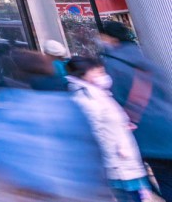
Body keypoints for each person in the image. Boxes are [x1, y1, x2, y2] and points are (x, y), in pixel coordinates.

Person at [98, 21, 172, 189]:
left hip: (147, 133)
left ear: (111, 39)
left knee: (165, 181)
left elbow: (115, 101)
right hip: (168, 124)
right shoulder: (145, 60)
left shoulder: (113, 66)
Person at [68, 56, 152, 202]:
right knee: (129, 196)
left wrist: (123, 125)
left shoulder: (98, 93)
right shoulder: (86, 97)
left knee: (135, 195)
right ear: (83, 74)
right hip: (118, 160)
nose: (103, 76)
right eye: (97, 72)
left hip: (122, 155)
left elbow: (107, 120)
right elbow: (95, 131)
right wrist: (115, 151)